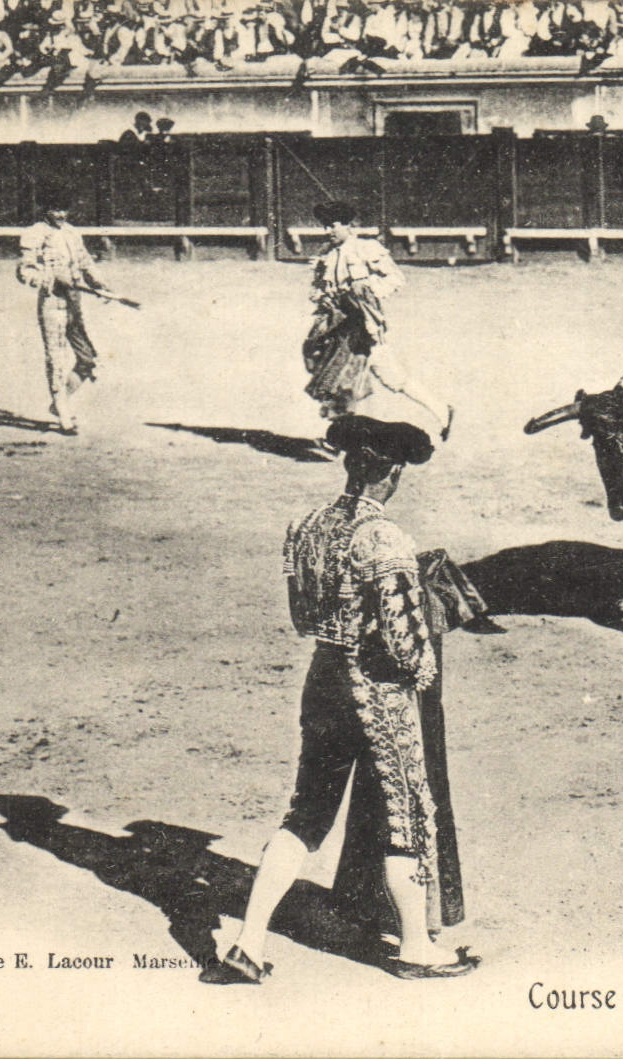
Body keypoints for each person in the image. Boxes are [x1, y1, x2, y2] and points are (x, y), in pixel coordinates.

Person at [200, 414, 479, 984]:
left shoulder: (304, 528)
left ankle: (247, 943)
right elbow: (403, 642)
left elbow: (303, 619)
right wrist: (424, 667)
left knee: (306, 813)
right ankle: (416, 947)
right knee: (404, 813)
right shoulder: (385, 537)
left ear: (351, 465)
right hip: (375, 690)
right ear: (393, 473)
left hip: (322, 678)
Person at [302, 200, 453, 441]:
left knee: (365, 379)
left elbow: (395, 278)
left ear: (348, 225)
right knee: (350, 379)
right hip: (339, 328)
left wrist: (368, 290)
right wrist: (323, 299)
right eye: (325, 226)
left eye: (333, 225)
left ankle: (441, 410)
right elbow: (318, 289)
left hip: (363, 325)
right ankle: (338, 438)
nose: (328, 231)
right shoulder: (327, 255)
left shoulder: (365, 248)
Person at [16, 191, 109, 434]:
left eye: (64, 209)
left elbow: (85, 261)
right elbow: (25, 272)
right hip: (52, 301)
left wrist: (100, 284)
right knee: (56, 358)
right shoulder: (34, 233)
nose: (61, 214)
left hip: (74, 302)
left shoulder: (71, 232)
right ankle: (63, 412)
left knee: (88, 359)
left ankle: (59, 404)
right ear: (45, 208)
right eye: (55, 209)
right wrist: (53, 278)